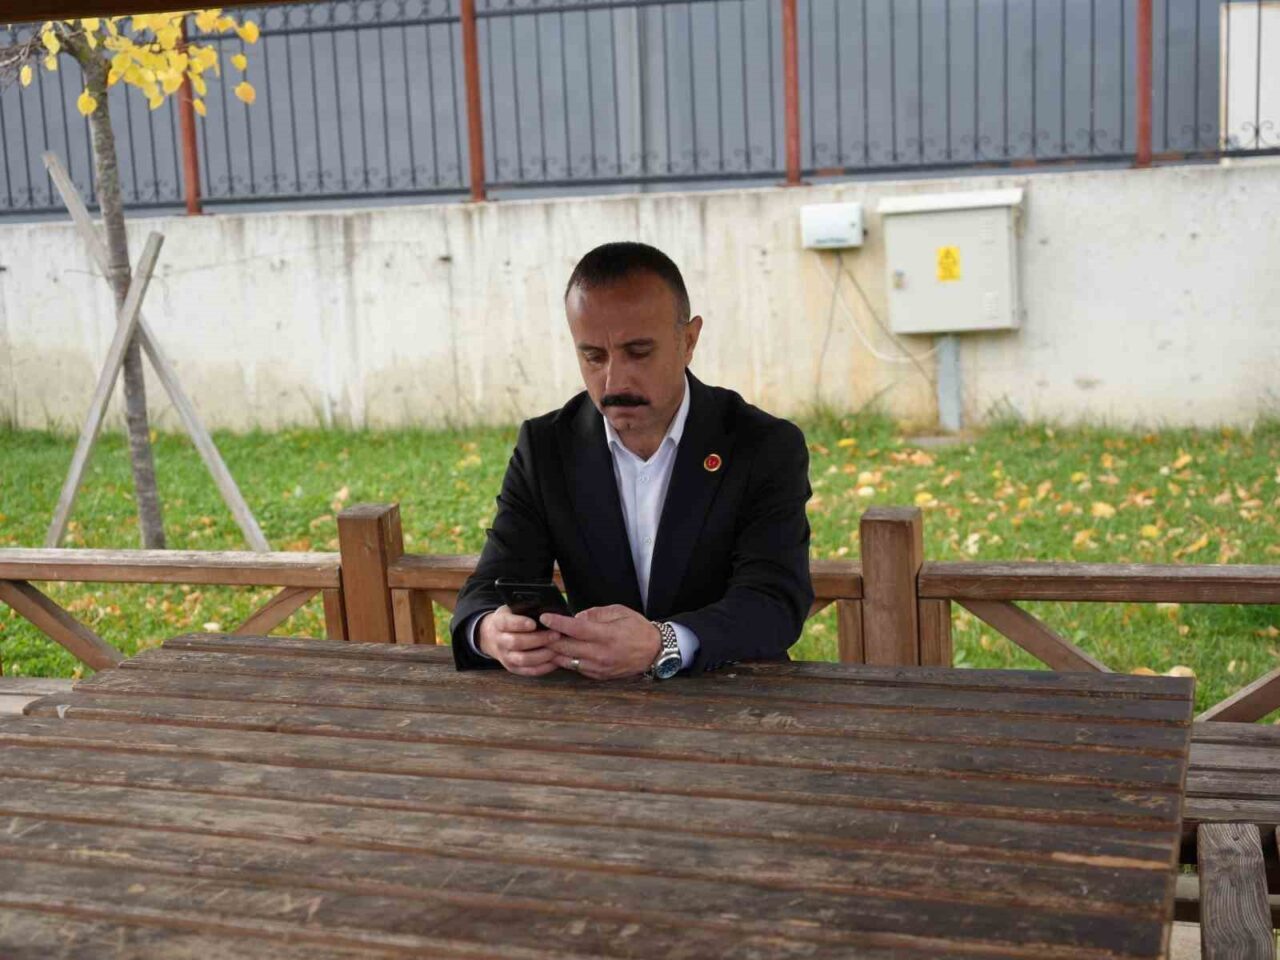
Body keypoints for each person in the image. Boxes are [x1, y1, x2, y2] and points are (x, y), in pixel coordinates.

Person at [449, 241, 813, 679]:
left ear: (689, 341)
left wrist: (664, 642)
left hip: (736, 693)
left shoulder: (762, 444)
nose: (614, 381)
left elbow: (774, 601)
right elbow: (489, 585)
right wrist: (492, 631)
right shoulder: (546, 447)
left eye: (638, 352)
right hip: (595, 702)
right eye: (593, 356)